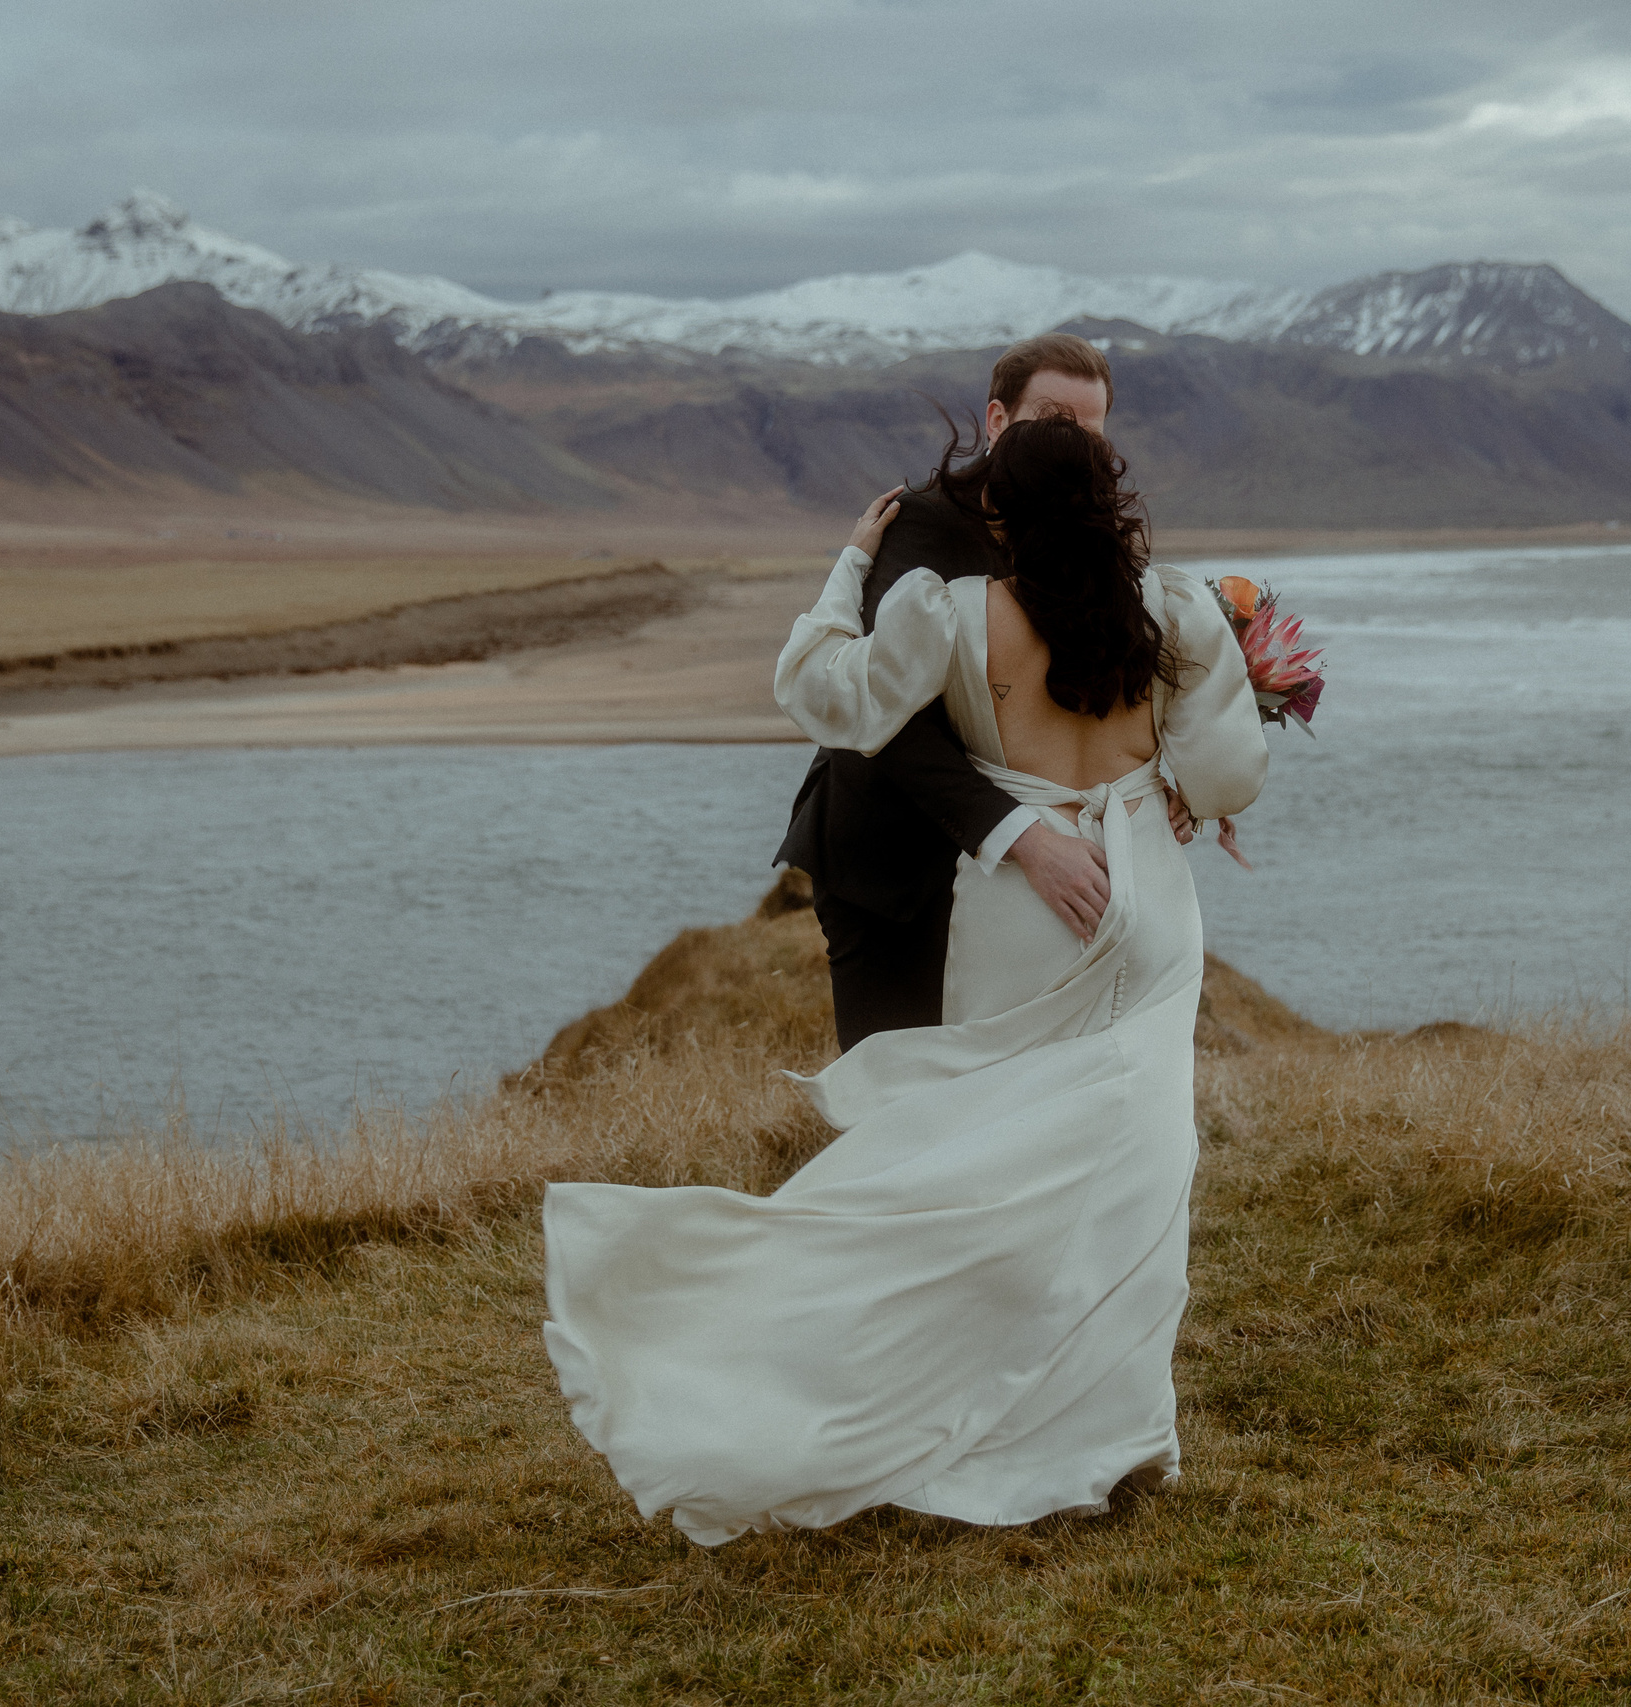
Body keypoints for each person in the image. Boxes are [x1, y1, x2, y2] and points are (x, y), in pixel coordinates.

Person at [538, 404, 1267, 1548]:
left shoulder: (957, 614)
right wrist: (1166, 776)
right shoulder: (1175, 612)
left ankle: (942, 1400)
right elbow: (1229, 775)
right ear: (1112, 501)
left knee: (983, 1157)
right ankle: (1120, 1434)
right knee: (1135, 1167)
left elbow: (827, 696)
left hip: (1027, 903)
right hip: (1145, 900)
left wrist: (846, 572)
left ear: (1003, 515)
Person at [773, 333, 1144, 1051]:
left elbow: (1096, 684)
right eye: (1050, 420)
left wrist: (1178, 785)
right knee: (895, 1087)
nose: (1072, 444)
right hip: (893, 867)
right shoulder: (918, 527)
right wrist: (1027, 841)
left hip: (1013, 886)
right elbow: (896, 725)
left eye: (1089, 430)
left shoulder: (1089, 537)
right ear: (998, 420)